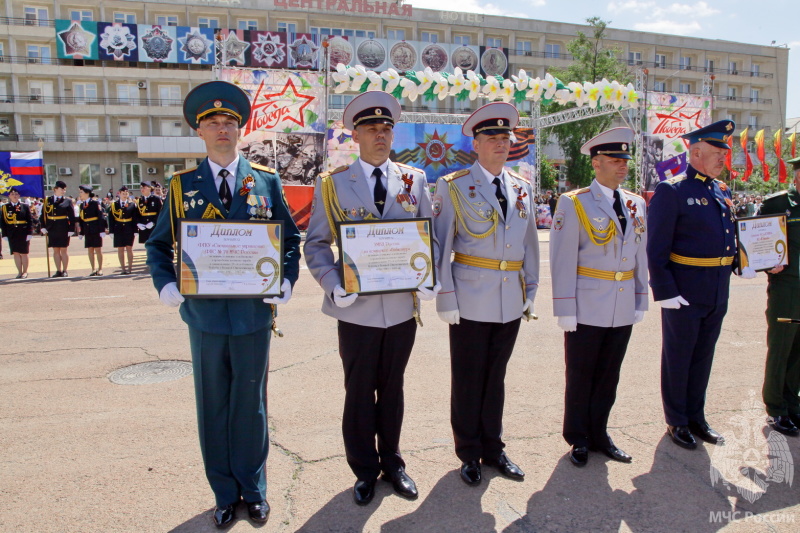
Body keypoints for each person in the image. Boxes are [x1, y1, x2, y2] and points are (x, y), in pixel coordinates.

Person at [146, 80, 301, 528]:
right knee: (212, 404)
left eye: (229, 122)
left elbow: (288, 241)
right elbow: (158, 246)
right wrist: (164, 285)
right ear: (200, 132)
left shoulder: (266, 183)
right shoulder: (182, 186)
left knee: (251, 404)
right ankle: (223, 491)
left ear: (240, 130)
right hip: (206, 315)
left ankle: (253, 490)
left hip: (253, 314)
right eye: (212, 122)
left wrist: (286, 281)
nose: (221, 129)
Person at [304, 91, 440, 506]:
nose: (380, 135)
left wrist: (426, 276)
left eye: (386, 128)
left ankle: (393, 464)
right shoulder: (332, 184)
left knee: (393, 388)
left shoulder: (413, 180)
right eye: (371, 129)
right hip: (357, 309)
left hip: (400, 307)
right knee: (359, 391)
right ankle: (364, 469)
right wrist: (332, 284)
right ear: (355, 135)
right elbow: (315, 244)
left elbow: (427, 235)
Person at [433, 102, 539, 486]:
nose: (500, 143)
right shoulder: (453, 185)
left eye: (505, 137)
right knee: (468, 379)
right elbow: (440, 245)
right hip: (470, 297)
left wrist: (531, 289)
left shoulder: (521, 188)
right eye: (491, 137)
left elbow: (530, 244)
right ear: (475, 144)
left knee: (496, 378)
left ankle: (494, 448)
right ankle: (468, 452)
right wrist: (446, 296)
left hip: (510, 297)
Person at [647, 119, 756, 450]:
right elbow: (656, 247)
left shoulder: (720, 190)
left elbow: (727, 237)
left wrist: (745, 261)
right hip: (684, 291)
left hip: (716, 289)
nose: (724, 158)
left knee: (702, 356)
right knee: (679, 357)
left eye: (724, 152)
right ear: (694, 152)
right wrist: (666, 292)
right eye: (717, 152)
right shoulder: (673, 190)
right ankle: (677, 420)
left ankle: (696, 416)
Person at [549, 128, 648, 467]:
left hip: (621, 305)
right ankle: (577, 437)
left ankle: (600, 433)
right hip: (587, 304)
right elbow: (562, 259)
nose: (623, 166)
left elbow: (640, 255)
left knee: (609, 374)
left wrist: (640, 299)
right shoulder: (574, 202)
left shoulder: (636, 203)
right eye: (615, 160)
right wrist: (564, 306)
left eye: (625, 161)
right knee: (580, 373)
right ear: (596, 163)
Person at [757, 155, 800, 436]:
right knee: (782, 347)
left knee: (799, 351)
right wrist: (766, 264)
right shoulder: (778, 204)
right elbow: (756, 243)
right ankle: (776, 408)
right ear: (797, 176)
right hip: (787, 288)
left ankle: (792, 404)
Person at [40, 180, 76, 277]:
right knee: (55, 250)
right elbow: (43, 214)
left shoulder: (67, 201)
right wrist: (43, 226)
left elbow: (72, 216)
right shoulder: (48, 200)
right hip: (52, 228)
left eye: (64, 190)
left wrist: (71, 229)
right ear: (55, 189)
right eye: (61, 189)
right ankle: (58, 270)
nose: (63, 191)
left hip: (63, 227)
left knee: (63, 250)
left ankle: (65, 270)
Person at [1, 187, 33, 278]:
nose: (14, 196)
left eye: (16, 194)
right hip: (12, 232)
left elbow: (29, 220)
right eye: (12, 194)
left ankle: (25, 271)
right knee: (16, 253)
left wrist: (30, 233)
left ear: (19, 195)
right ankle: (19, 272)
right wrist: (4, 234)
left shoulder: (25, 206)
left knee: (24, 252)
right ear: (9, 196)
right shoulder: (5, 207)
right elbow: (2, 222)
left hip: (23, 232)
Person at [77, 184, 107, 276]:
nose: (80, 194)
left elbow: (100, 216)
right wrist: (81, 232)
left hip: (96, 228)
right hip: (87, 229)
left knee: (98, 249)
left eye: (81, 192)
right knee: (90, 249)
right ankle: (93, 269)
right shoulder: (82, 205)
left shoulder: (95, 203)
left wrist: (102, 230)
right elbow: (81, 218)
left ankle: (100, 268)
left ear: (87, 193)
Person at [108, 186, 138, 274]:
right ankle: (123, 269)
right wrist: (111, 231)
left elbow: (135, 218)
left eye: (126, 193)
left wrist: (135, 230)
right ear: (119, 194)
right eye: (123, 193)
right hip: (118, 228)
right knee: (120, 249)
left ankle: (130, 268)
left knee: (129, 248)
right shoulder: (114, 205)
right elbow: (111, 219)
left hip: (129, 228)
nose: (125, 195)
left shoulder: (132, 204)